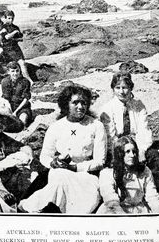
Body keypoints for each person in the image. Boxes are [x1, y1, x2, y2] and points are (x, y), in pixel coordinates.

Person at [18, 84, 107, 214]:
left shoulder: (96, 126)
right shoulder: (56, 127)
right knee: (58, 176)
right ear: (66, 104)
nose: (80, 107)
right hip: (59, 171)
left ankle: (32, 206)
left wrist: (74, 168)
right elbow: (45, 156)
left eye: (84, 103)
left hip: (85, 176)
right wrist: (52, 163)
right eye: (75, 103)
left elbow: (100, 161)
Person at [99, 72, 159, 204]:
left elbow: (144, 131)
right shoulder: (107, 108)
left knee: (154, 155)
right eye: (118, 88)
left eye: (125, 87)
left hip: (137, 145)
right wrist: (123, 150)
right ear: (113, 89)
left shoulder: (138, 106)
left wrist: (141, 151)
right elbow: (110, 137)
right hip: (117, 147)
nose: (122, 91)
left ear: (131, 88)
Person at [97, 136, 159, 214]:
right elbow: (111, 202)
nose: (132, 155)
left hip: (139, 211)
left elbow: (152, 197)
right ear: (120, 153)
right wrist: (125, 218)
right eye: (127, 152)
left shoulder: (144, 171)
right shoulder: (107, 173)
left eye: (134, 151)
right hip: (116, 212)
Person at [1, 10, 33, 84]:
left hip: (15, 48)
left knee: (22, 63)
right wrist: (14, 33)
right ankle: (27, 81)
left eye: (12, 18)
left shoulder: (15, 27)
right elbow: (7, 37)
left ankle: (28, 81)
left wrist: (15, 38)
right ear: (5, 18)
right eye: (9, 18)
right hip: (7, 49)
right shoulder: (3, 27)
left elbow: (20, 38)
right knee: (15, 65)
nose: (11, 20)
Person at [1, 61, 33, 127]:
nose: (15, 73)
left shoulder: (25, 82)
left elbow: (25, 99)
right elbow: (6, 99)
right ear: (8, 72)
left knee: (22, 122)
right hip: (10, 106)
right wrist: (10, 112)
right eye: (13, 71)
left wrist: (15, 112)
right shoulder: (5, 81)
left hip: (22, 107)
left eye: (17, 71)